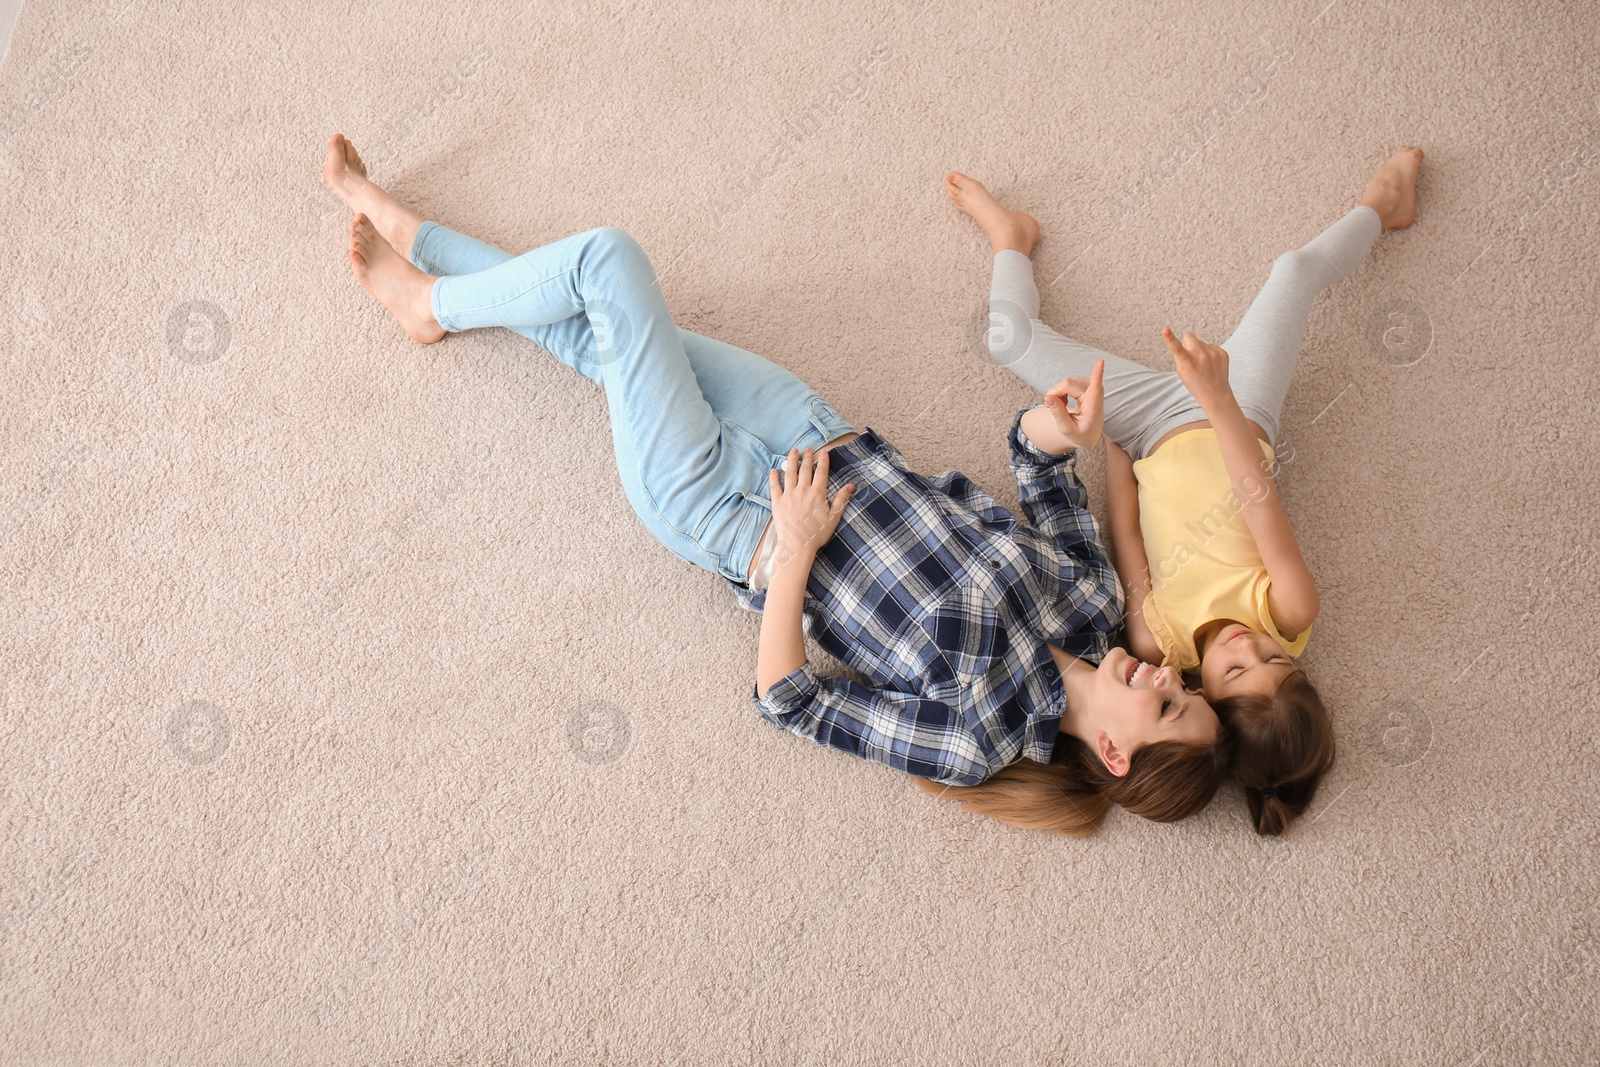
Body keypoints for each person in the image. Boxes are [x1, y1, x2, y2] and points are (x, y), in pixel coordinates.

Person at [320, 132, 1231, 837]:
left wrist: (794, 550)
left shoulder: (976, 737)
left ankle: (425, 301)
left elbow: (790, 700)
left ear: (1113, 752)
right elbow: (1037, 461)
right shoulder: (1092, 595)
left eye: (1163, 704)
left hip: (727, 510)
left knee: (607, 263)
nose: (1160, 672)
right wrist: (1056, 425)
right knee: (590, 334)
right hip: (811, 430)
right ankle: (410, 236)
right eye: (1182, 685)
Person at [947, 145, 1424, 835]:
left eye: (1234, 671)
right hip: (1238, 408)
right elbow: (1253, 492)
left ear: (1207, 696)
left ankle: (1010, 240)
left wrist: (1114, 441)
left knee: (1008, 341)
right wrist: (1218, 397)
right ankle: (1384, 205)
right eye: (1273, 659)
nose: (1246, 645)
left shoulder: (1156, 642)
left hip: (1147, 428)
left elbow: (1127, 532)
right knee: (1292, 271)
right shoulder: (1287, 609)